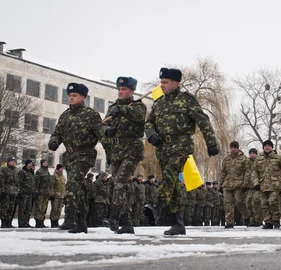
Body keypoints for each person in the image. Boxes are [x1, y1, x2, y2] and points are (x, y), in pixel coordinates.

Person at [145, 67, 219, 235]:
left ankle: (156, 206)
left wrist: (211, 143)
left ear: (175, 83)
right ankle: (178, 223)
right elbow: (149, 123)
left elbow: (202, 120)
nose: (161, 85)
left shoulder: (186, 100)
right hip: (163, 148)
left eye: (165, 82)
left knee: (171, 174)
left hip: (181, 145)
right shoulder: (159, 103)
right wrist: (151, 136)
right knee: (175, 186)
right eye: (161, 82)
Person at [48, 83, 102, 233]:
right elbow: (57, 132)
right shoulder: (65, 115)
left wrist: (111, 152)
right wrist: (54, 141)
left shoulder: (91, 114)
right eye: (70, 96)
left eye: (75, 96)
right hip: (70, 156)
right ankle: (80, 222)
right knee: (76, 188)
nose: (71, 98)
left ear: (82, 97)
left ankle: (72, 219)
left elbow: (101, 134)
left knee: (72, 184)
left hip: (85, 155)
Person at [100, 76, 147, 234]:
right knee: (122, 186)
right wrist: (107, 131)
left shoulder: (138, 106)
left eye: (124, 89)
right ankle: (127, 223)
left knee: (120, 181)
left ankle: (113, 216)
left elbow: (139, 117)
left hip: (132, 149)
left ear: (132, 91)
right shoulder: (113, 108)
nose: (120, 92)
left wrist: (121, 110)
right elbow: (102, 126)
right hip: (116, 150)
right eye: (119, 89)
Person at [252, 140, 281, 229]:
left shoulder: (278, 158)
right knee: (264, 204)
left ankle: (276, 220)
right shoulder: (258, 159)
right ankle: (268, 221)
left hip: (275, 185)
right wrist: (256, 183)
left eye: (269, 146)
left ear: (272, 147)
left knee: (273, 201)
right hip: (262, 185)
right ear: (263, 147)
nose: (267, 147)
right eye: (265, 146)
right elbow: (254, 172)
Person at [220, 141, 249, 228]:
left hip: (239, 184)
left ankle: (246, 216)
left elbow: (247, 171)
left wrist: (245, 183)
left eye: (234, 148)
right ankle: (229, 222)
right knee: (227, 203)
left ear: (238, 148)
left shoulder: (243, 158)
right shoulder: (226, 159)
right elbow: (223, 172)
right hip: (227, 184)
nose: (233, 149)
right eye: (231, 148)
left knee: (239, 201)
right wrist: (220, 185)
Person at [0, 157, 19, 228]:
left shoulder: (16, 170)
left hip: (13, 192)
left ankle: (9, 222)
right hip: (6, 191)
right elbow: (2, 181)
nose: (13, 163)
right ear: (8, 162)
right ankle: (3, 222)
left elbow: (17, 182)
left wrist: (17, 190)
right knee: (5, 207)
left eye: (13, 161)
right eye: (11, 161)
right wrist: (3, 190)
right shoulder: (4, 170)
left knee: (11, 208)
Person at [34, 159, 52, 228]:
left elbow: (49, 183)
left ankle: (42, 222)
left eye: (46, 162)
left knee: (44, 208)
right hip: (40, 192)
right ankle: (38, 222)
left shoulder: (47, 172)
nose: (46, 163)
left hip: (46, 193)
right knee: (39, 208)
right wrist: (37, 191)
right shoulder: (39, 172)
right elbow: (37, 182)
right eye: (44, 162)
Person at [18, 159, 36, 228]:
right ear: (26, 164)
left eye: (31, 163)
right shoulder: (22, 172)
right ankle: (21, 223)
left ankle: (26, 222)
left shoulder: (31, 172)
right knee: (22, 208)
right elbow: (19, 182)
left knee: (28, 209)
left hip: (30, 193)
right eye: (30, 163)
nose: (31, 164)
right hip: (24, 193)